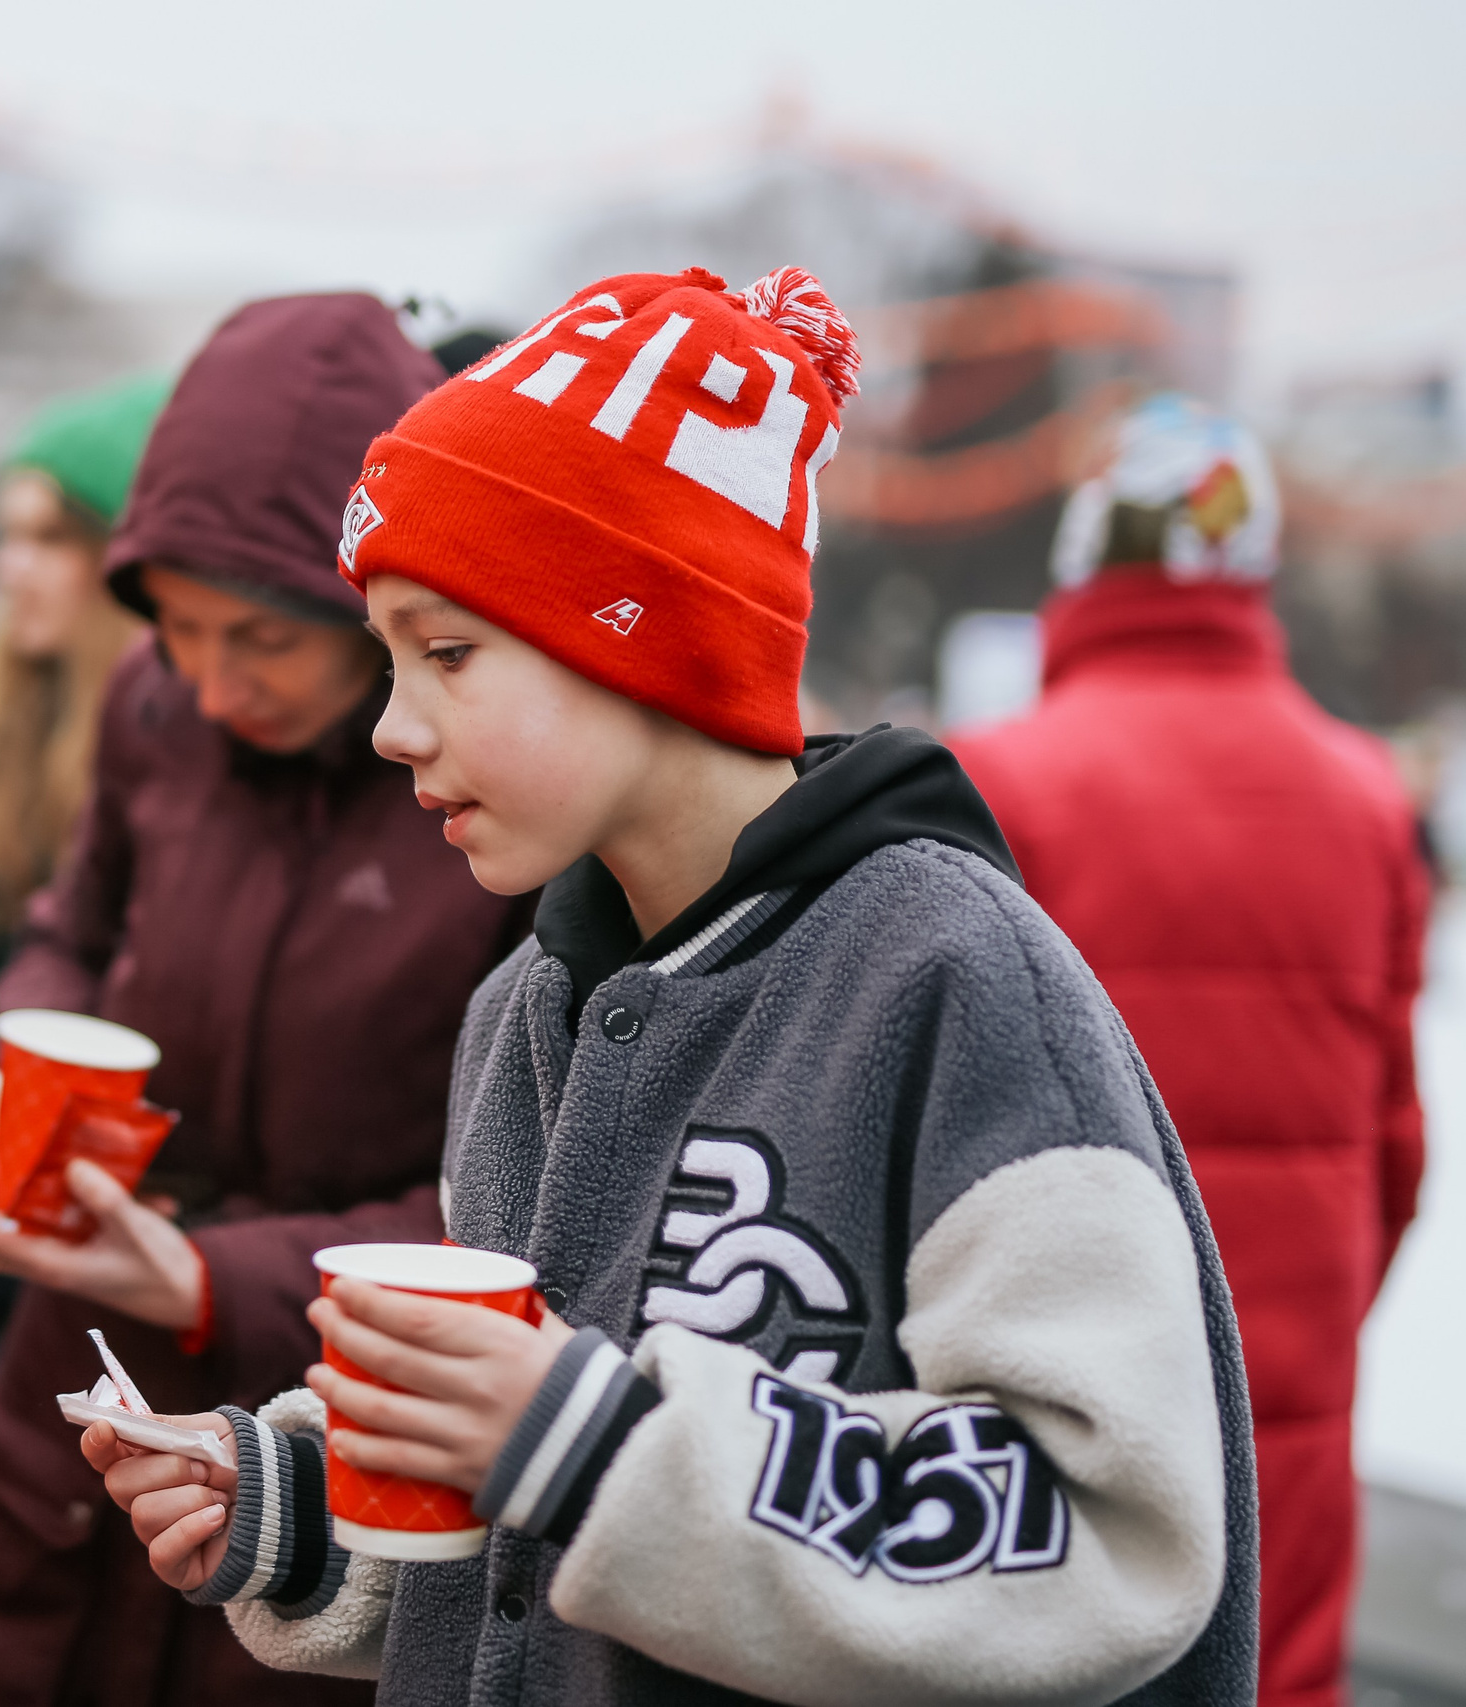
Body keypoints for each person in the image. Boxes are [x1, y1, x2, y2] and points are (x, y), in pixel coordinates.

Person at [86, 269, 1258, 1707]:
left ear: (641, 630)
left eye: (448, 651)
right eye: (388, 658)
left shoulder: (952, 980)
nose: (393, 725)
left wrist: (599, 1444)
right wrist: (299, 1503)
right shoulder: (518, 1016)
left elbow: (1105, 1531)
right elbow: (535, 1525)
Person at [0, 295, 534, 1707]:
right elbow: (70, 929)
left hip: (317, 1454)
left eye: (259, 637)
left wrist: (210, 1280)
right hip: (68, 1412)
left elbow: (498, 1208)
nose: (208, 682)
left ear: (374, 610)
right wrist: (28, 1090)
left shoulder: (487, 792)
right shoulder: (150, 706)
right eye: (177, 627)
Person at [950, 396, 1426, 1707]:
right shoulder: (1365, 796)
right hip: (1289, 1393)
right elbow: (1398, 1145)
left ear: (1083, 552)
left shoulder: (997, 782)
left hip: (1054, 1383)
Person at [0, 372, 167, 1394]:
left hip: (130, 1191)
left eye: (48, 539)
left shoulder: (172, 739)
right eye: (8, 536)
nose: (10, 567)